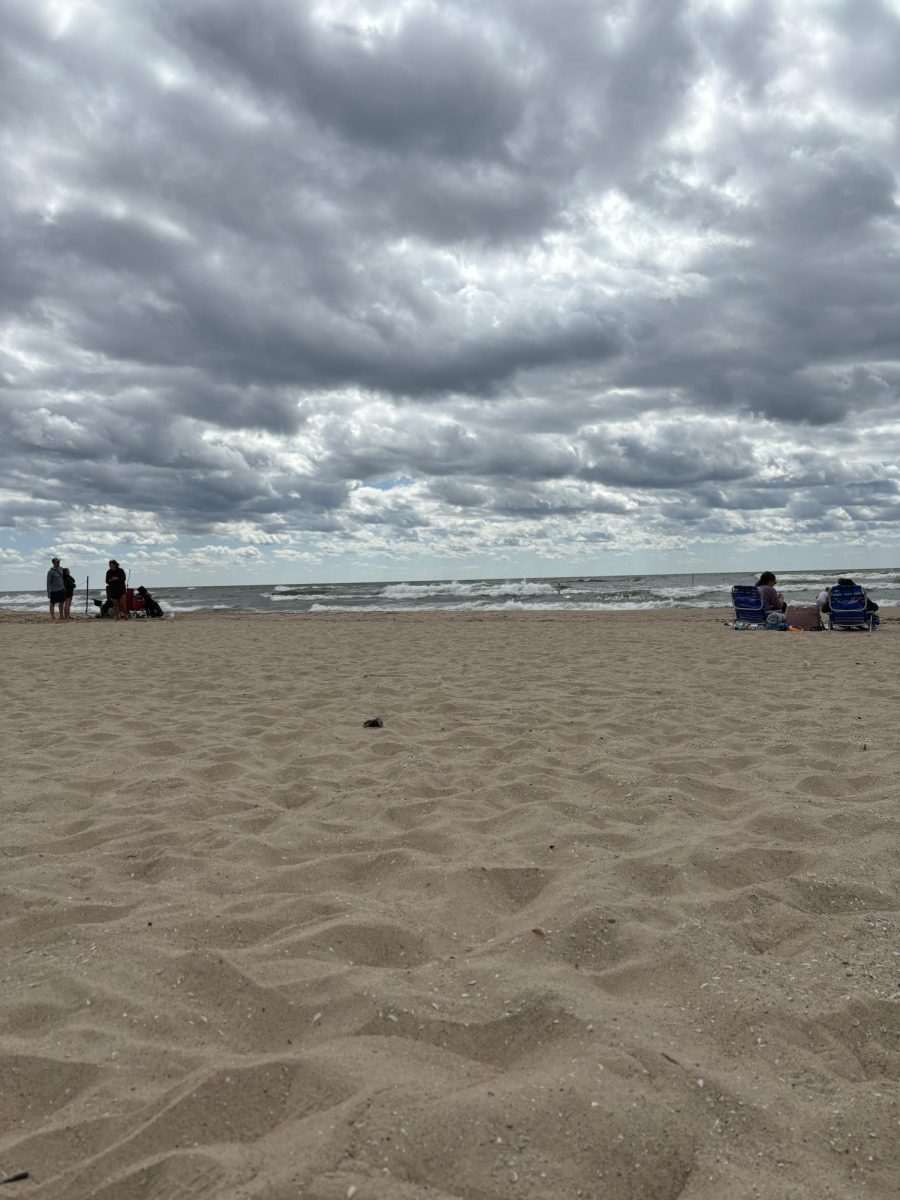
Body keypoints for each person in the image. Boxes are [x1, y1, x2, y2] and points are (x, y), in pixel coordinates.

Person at [46, 557, 66, 621]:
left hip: (62, 589)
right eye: (57, 562)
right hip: (54, 590)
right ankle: (53, 617)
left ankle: (61, 616)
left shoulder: (61, 569)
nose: (58, 563)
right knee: (52, 603)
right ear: (53, 562)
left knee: (62, 602)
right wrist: (48, 592)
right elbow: (48, 583)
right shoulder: (50, 572)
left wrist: (65, 587)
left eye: (59, 561)